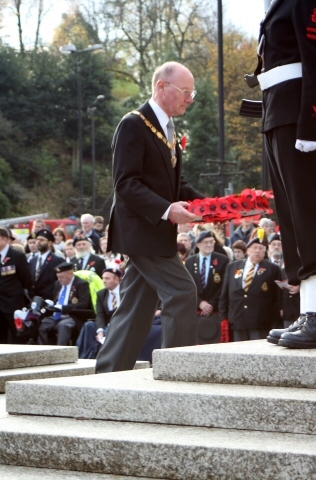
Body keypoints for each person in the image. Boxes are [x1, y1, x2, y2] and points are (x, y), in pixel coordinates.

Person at [95, 61, 204, 373]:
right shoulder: (133, 124)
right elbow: (125, 183)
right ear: (161, 87)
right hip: (142, 232)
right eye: (186, 92)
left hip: (153, 233)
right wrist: (169, 210)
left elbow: (175, 185)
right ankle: (177, 373)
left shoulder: (167, 129)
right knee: (182, 292)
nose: (190, 99)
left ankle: (109, 372)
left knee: (137, 306)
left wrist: (210, 205)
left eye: (191, 92)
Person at [256, 0, 316, 348]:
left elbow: (315, 57)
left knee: (309, 217)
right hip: (278, 109)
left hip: (299, 112)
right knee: (294, 222)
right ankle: (311, 309)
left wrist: (312, 121)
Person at [219, 235, 282, 341]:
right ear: (247, 250)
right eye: (255, 247)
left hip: (260, 321)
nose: (257, 251)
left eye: (261, 248)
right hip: (237, 319)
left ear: (265, 252)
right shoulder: (233, 266)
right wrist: (223, 316)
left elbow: (278, 296)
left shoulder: (272, 269)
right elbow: (225, 293)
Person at [185, 230, 229, 344]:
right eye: (206, 242)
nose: (209, 245)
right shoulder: (190, 262)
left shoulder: (222, 260)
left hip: (216, 310)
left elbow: (224, 286)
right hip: (196, 310)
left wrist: (211, 304)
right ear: (198, 244)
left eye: (211, 242)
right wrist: (200, 303)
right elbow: (188, 286)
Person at [38, 262, 91, 346]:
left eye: (61, 277)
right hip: (57, 315)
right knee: (44, 324)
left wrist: (63, 308)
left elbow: (83, 304)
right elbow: (56, 300)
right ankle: (44, 350)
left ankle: (61, 352)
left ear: (70, 274)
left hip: (72, 316)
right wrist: (51, 303)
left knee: (63, 326)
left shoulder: (81, 284)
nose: (59, 279)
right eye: (58, 277)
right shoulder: (58, 284)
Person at [0, 227, 33, 343]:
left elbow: (27, 280)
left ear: (4, 239)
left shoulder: (17, 256)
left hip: (13, 303)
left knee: (17, 336)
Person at [29, 229, 64, 300]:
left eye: (42, 240)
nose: (38, 242)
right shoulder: (32, 260)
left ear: (50, 243)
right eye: (37, 240)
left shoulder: (57, 260)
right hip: (33, 300)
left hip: (49, 300)